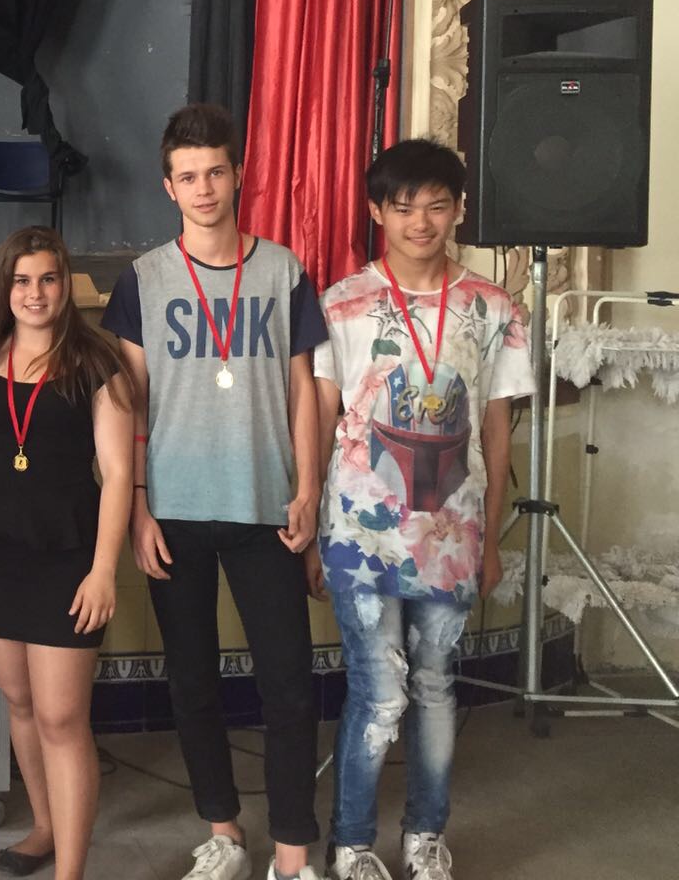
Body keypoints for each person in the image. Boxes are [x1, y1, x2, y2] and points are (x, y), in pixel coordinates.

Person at [101, 103, 327, 880]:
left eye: (216, 173)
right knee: (192, 681)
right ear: (169, 187)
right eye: (188, 176)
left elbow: (303, 389)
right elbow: (128, 403)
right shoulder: (143, 280)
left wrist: (309, 488)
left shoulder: (284, 271)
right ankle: (224, 832)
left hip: (266, 506)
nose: (204, 189)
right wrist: (137, 506)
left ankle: (292, 852)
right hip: (174, 510)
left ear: (238, 175)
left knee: (288, 684)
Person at [309, 139, 532, 880]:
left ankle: (425, 837)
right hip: (359, 536)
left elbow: (496, 428)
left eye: (437, 205)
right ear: (377, 211)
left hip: (451, 534)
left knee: (435, 686)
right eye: (404, 207)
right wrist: (310, 531)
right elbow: (319, 420)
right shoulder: (341, 303)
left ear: (459, 209)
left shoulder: (493, 308)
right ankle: (351, 845)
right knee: (379, 693)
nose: (421, 221)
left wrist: (491, 537)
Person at [0, 225, 134, 880]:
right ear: (5, 287)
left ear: (66, 284)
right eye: (22, 280)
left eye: (48, 278)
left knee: (62, 717)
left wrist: (103, 570)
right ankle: (45, 826)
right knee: (21, 706)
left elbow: (117, 474)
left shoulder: (97, 365)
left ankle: (70, 870)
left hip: (67, 559)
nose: (36, 292)